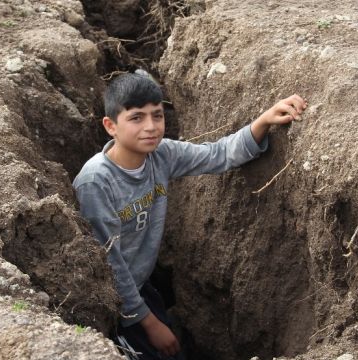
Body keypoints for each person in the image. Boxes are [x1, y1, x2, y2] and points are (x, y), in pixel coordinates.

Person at [72, 73, 307, 359]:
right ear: (111, 126)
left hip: (141, 286)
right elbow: (109, 262)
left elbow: (218, 154)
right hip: (115, 303)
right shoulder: (96, 182)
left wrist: (264, 121)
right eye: (136, 118)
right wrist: (148, 322)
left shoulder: (162, 155)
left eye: (157, 116)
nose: (150, 127)